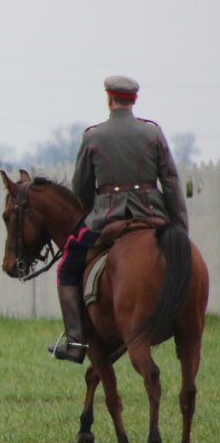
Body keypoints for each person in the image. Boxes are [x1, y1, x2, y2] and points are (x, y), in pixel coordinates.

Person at [50, 75, 189, 363]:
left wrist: (92, 211)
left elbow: (81, 188)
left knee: (68, 263)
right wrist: (180, 225)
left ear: (109, 98)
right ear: (134, 100)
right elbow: (171, 182)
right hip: (154, 215)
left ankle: (76, 341)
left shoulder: (93, 136)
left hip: (107, 219)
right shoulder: (153, 133)